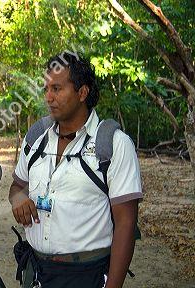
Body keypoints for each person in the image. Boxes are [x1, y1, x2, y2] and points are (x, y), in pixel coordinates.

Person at [9, 52, 142, 288]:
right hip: (36, 273)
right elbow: (17, 186)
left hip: (86, 275)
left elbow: (126, 224)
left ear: (82, 92)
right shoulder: (36, 139)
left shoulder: (113, 144)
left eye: (57, 89)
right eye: (46, 89)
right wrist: (18, 197)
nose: (48, 97)